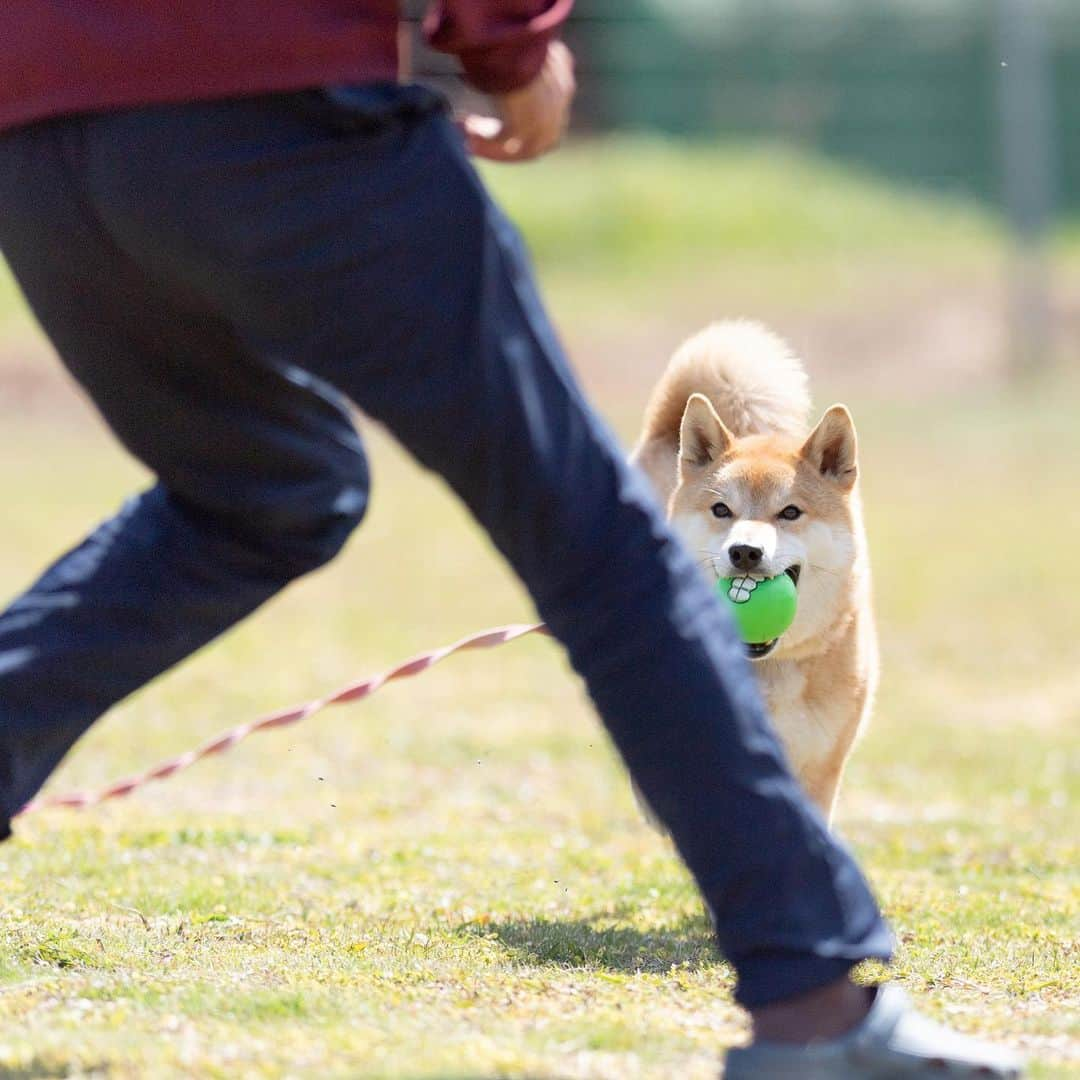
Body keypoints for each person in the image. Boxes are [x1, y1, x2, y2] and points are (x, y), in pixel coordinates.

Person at [0, 3, 1021, 1076]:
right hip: (274, 109)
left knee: (264, 493)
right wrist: (513, 49)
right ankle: (819, 1006)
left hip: (37, 133)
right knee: (607, 541)